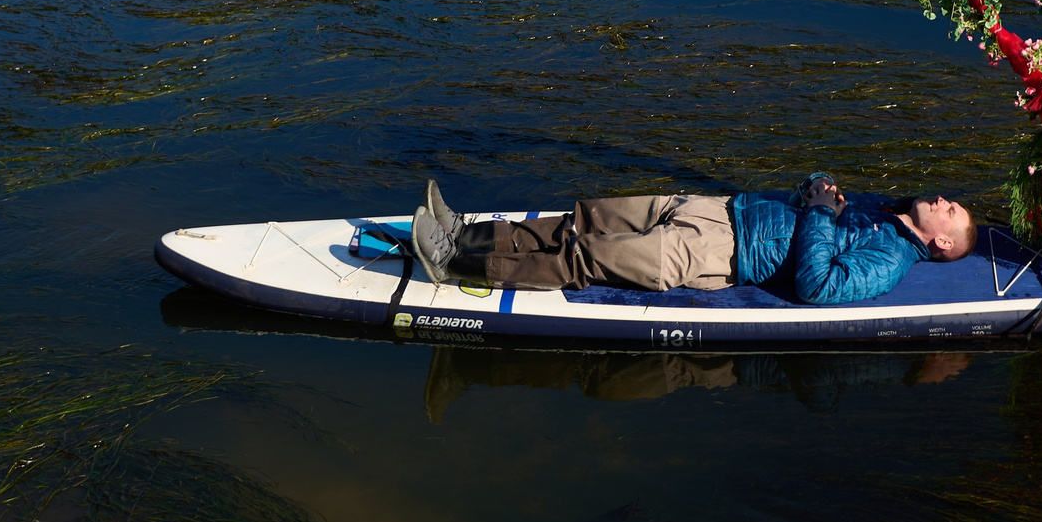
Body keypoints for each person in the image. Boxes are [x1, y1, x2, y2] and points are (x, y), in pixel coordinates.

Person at [410, 177, 978, 305]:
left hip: (717, 255)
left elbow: (818, 284)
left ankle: (456, 265)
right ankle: (467, 231)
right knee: (580, 220)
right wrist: (818, 189)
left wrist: (819, 214)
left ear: (943, 244)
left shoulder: (890, 261)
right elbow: (819, 200)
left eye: (951, 213)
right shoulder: (888, 209)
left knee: (585, 257)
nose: (944, 202)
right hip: (716, 210)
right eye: (950, 200)